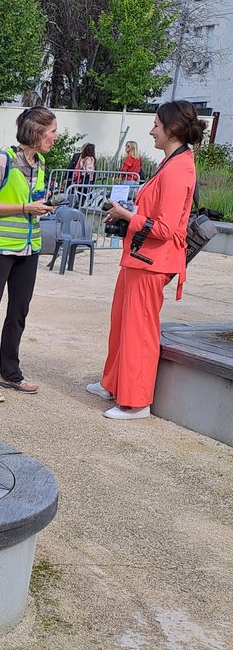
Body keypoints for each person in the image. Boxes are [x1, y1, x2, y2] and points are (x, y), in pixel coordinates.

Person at [87, 101, 201, 420]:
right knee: (122, 324)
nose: (152, 131)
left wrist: (127, 215)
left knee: (139, 331)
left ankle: (136, 401)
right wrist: (129, 213)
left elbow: (166, 228)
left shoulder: (178, 169)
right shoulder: (171, 163)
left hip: (152, 262)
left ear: (171, 129)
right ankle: (113, 384)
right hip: (140, 258)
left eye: (156, 125)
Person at [0, 107, 58, 402]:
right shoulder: (3, 159)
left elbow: (30, 201)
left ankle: (10, 373)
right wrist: (25, 208)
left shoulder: (40, 163)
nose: (55, 137)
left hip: (28, 249)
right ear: (37, 132)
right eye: (52, 131)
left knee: (18, 313)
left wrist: (41, 207)